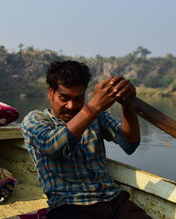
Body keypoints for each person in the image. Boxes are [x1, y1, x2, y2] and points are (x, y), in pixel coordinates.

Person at [21, 60, 151, 219]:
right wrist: (93, 108)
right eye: (64, 98)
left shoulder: (97, 117)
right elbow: (52, 147)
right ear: (50, 93)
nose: (71, 106)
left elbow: (129, 143)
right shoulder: (35, 119)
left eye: (78, 98)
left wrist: (127, 104)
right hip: (69, 205)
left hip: (114, 200)